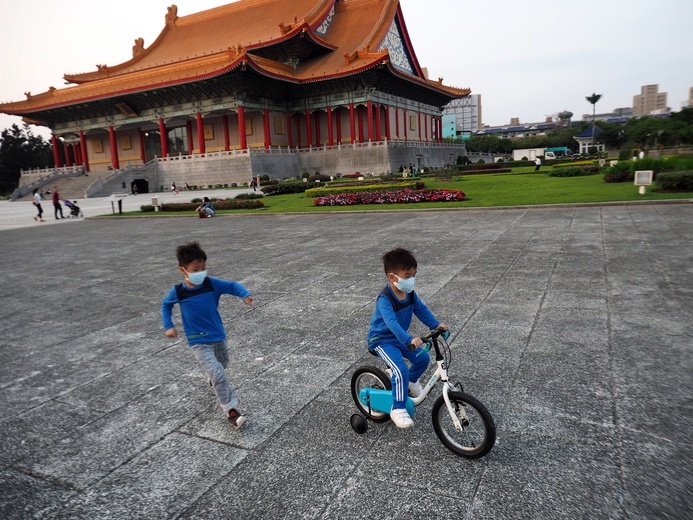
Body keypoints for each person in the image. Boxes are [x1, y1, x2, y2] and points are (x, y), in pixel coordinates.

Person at [161, 242, 254, 428]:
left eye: (203, 268)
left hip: (218, 336)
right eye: (196, 269)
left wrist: (245, 294)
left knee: (223, 364)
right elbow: (166, 305)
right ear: (183, 270)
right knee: (217, 371)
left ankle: (214, 380)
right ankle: (231, 411)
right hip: (198, 341)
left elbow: (232, 286)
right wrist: (169, 326)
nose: (201, 272)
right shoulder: (178, 292)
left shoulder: (210, 284)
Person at [366, 248, 447, 428]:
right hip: (381, 340)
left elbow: (421, 309)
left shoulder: (409, 294)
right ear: (392, 277)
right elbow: (392, 323)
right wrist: (409, 339)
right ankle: (398, 408)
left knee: (423, 358)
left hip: (399, 338)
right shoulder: (385, 299)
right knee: (400, 368)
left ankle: (409, 382)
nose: (411, 280)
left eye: (414, 275)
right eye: (407, 275)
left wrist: (435, 325)